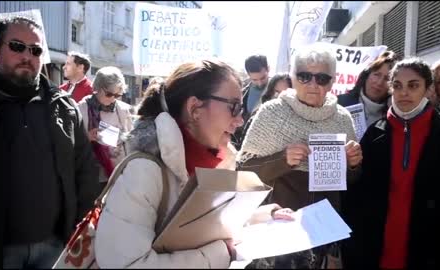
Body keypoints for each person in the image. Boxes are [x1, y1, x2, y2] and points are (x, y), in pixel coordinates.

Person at [94, 59, 294, 268]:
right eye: (234, 107)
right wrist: (221, 254)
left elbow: (208, 223)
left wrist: (263, 216)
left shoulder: (219, 162)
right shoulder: (145, 172)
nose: (240, 120)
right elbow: (126, 264)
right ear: (195, 108)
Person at [0, 17, 99, 269]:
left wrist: (78, 228)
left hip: (54, 247)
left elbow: (85, 170)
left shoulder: (64, 106)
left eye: (35, 50)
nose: (27, 56)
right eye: (17, 46)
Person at [237, 46, 363, 269]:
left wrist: (353, 165)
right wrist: (282, 159)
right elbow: (244, 172)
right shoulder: (271, 113)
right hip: (280, 230)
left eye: (322, 78)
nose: (313, 84)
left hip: (325, 230)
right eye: (305, 76)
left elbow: (350, 182)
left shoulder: (343, 118)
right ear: (293, 78)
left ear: (332, 81)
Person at [343, 58, 440, 269]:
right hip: (376, 251)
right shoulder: (374, 134)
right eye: (397, 85)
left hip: (432, 252)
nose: (404, 92)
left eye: (413, 85)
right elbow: (356, 196)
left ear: (428, 90)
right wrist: (352, 166)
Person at [77, 66, 133, 191]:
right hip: (92, 176)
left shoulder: (123, 110)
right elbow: (70, 143)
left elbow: (131, 141)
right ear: (97, 87)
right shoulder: (81, 109)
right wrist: (87, 137)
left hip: (119, 174)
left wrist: (123, 138)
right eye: (109, 94)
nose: (113, 98)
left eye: (117, 95)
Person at [337, 50, 399, 128]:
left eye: (387, 78)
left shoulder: (394, 115)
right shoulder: (340, 103)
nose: (379, 82)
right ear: (366, 75)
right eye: (376, 74)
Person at [232, 54, 270, 150]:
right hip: (241, 144)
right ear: (248, 75)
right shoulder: (240, 89)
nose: (259, 83)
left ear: (268, 69)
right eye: (255, 79)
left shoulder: (278, 89)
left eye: (263, 78)